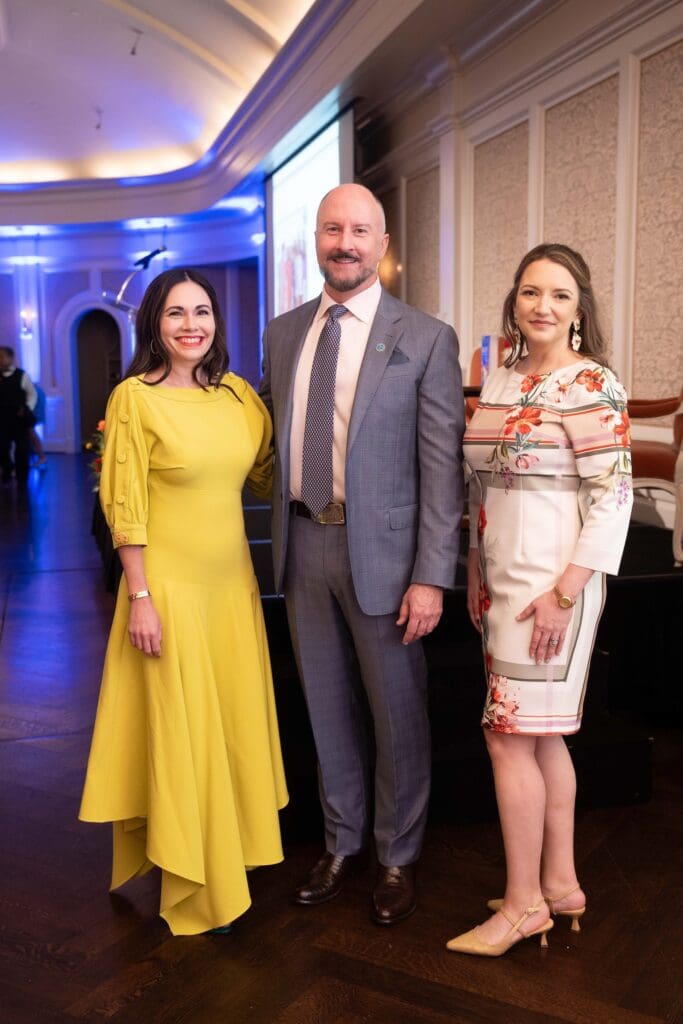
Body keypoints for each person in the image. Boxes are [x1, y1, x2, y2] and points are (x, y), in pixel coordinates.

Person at [260, 183, 464, 925]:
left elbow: (441, 471)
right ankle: (341, 843)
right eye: (330, 229)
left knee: (396, 715)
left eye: (359, 231)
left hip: (387, 558)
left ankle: (396, 857)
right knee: (325, 708)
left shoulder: (426, 337)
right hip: (302, 544)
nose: (343, 242)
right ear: (316, 240)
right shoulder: (283, 334)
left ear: (382, 245)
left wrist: (431, 578)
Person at [80, 268, 288, 936]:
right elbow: (125, 507)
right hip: (165, 589)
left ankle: (229, 854)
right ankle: (196, 884)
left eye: (202, 312)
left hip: (231, 589)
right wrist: (138, 596)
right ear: (155, 326)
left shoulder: (237, 397)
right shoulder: (134, 398)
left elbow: (269, 471)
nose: (191, 325)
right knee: (181, 730)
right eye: (176, 314)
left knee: (225, 726)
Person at [449, 243, 633, 957]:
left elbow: (612, 498)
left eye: (557, 295)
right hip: (502, 577)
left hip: (554, 586)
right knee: (540, 736)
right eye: (530, 292)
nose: (541, 307)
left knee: (505, 736)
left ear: (578, 308)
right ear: (514, 301)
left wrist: (564, 593)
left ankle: (523, 905)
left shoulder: (591, 383)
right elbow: (479, 487)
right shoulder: (500, 377)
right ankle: (559, 884)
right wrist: (472, 566)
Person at [0, 345, 37, 484]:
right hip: (2, 418)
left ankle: (22, 478)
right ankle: (7, 471)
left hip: (19, 417)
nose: (0, 359)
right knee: (2, 448)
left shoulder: (22, 375)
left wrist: (28, 408)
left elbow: (32, 394)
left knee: (22, 449)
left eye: (2, 356)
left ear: (10, 358)